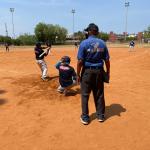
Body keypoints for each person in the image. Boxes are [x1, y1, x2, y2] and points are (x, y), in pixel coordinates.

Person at [77, 23, 110, 125]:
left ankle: (85, 117)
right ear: (97, 32)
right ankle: (100, 115)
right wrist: (108, 72)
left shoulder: (84, 43)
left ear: (90, 31)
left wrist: (78, 74)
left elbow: (80, 62)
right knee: (99, 94)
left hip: (87, 71)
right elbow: (107, 60)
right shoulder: (102, 43)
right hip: (99, 71)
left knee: (85, 95)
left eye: (87, 31)